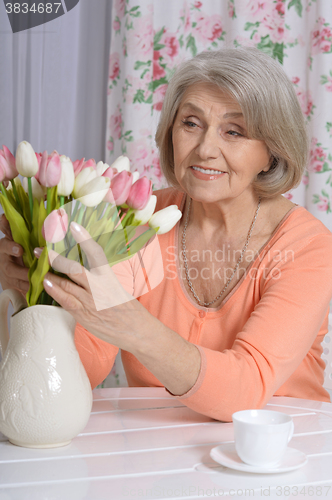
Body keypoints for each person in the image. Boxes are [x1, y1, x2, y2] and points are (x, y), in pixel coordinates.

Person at [1, 47, 332, 422]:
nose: (206, 149)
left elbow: (246, 387)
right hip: (159, 449)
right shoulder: (139, 218)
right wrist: (35, 295)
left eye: (234, 131)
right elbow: (82, 368)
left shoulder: (307, 247)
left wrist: (137, 330)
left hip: (283, 455)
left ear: (272, 152)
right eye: (191, 123)